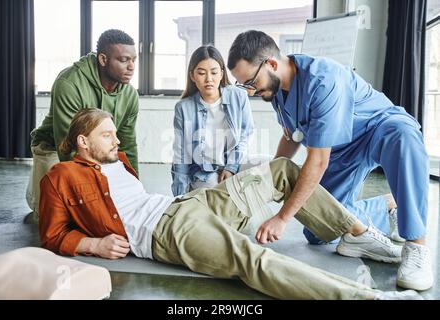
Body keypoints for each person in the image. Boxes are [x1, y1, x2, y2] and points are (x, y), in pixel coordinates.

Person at [38, 108, 421, 300]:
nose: (116, 141)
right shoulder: (60, 177)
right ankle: (367, 298)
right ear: (83, 142)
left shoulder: (119, 162)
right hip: (169, 232)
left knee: (283, 169)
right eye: (106, 136)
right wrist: (93, 244)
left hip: (192, 202)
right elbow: (53, 233)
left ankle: (354, 233)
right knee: (254, 259)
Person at [227, 30, 432, 291]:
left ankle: (416, 245)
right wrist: (269, 178)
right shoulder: (276, 90)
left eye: (251, 82)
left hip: (379, 127)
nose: (251, 91)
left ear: (271, 64)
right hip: (343, 149)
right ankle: (387, 206)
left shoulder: (323, 79)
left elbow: (318, 161)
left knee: (404, 136)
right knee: (319, 232)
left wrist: (282, 217)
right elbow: (293, 136)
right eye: (244, 85)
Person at [26, 29, 140, 220]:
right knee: (58, 216)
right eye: (123, 60)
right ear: (103, 59)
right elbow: (66, 148)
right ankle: (34, 192)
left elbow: (127, 145)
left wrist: (135, 188)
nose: (131, 67)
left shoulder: (130, 95)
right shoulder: (69, 83)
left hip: (98, 151)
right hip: (55, 147)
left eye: (134, 60)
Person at [172, 45, 263, 196]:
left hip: (237, 162)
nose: (209, 79)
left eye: (214, 72)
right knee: (218, 195)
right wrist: (179, 197)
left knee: (269, 166)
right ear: (192, 76)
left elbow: (245, 135)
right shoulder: (183, 108)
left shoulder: (239, 96)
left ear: (221, 73)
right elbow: (181, 155)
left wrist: (231, 168)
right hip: (205, 172)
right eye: (201, 73)